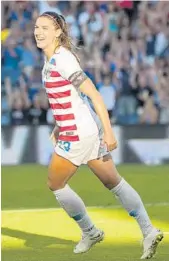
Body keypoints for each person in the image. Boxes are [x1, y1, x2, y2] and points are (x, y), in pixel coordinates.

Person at [34, 11, 163, 259]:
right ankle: (148, 230)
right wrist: (58, 125)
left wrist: (110, 132)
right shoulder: (50, 61)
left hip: (79, 133)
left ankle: (90, 232)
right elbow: (73, 98)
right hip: (81, 128)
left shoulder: (63, 60)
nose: (38, 32)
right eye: (37, 27)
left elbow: (94, 94)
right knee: (113, 181)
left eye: (45, 28)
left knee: (55, 183)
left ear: (58, 32)